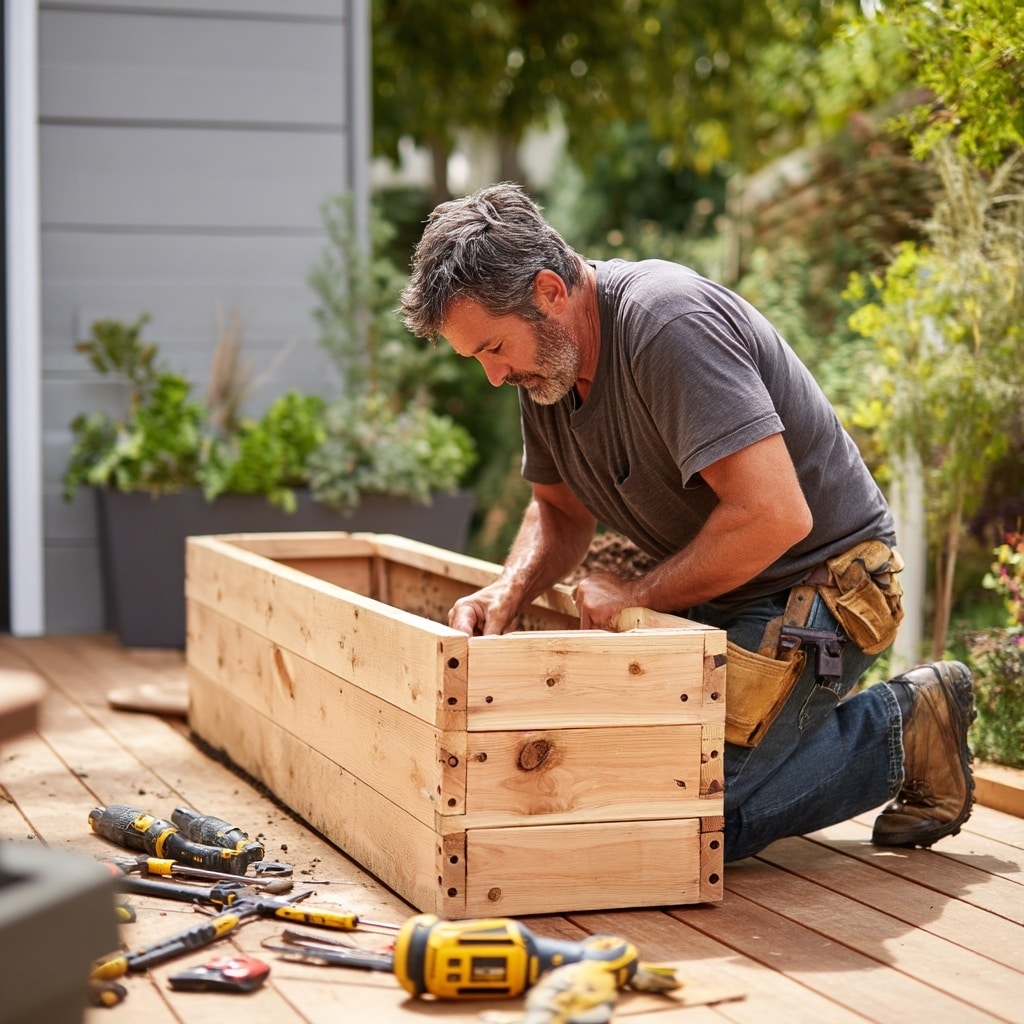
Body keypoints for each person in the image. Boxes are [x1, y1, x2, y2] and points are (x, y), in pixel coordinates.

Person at [399, 181, 975, 862]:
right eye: (479, 359)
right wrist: (509, 588)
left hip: (820, 585)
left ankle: (906, 728)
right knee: (609, 786)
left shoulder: (666, 325)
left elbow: (773, 517)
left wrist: (637, 598)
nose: (495, 377)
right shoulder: (546, 368)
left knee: (686, 819)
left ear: (550, 292)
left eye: (494, 348)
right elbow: (558, 511)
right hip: (710, 593)